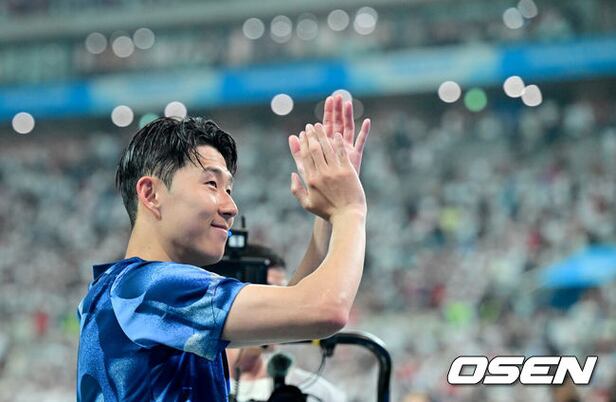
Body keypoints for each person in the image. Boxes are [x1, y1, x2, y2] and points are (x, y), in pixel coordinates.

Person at [76, 95, 371, 401]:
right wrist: (350, 209)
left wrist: (328, 216)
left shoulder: (121, 290)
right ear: (150, 194)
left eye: (228, 189)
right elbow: (325, 310)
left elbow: (295, 311)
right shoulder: (151, 287)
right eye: (212, 185)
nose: (231, 207)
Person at [222, 244, 346, 402]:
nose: (280, 305)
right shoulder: (196, 382)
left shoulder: (314, 391)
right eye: (269, 289)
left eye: (283, 292)